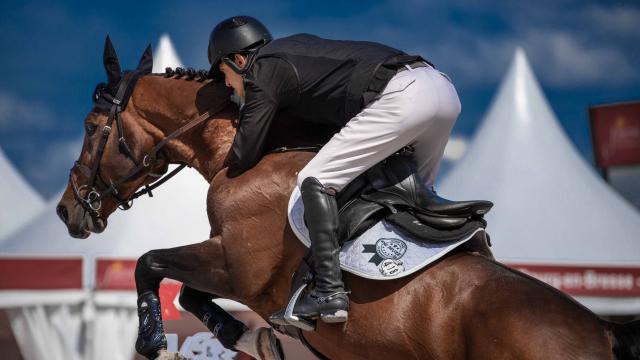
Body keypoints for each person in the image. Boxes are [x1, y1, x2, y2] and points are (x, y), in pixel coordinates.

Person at [209, 16, 461, 323]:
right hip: (442, 89)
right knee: (416, 199)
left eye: (223, 73)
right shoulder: (297, 48)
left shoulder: (262, 70)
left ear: (239, 59)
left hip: (402, 97)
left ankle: (328, 292)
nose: (226, 85)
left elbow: (244, 153)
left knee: (314, 179)